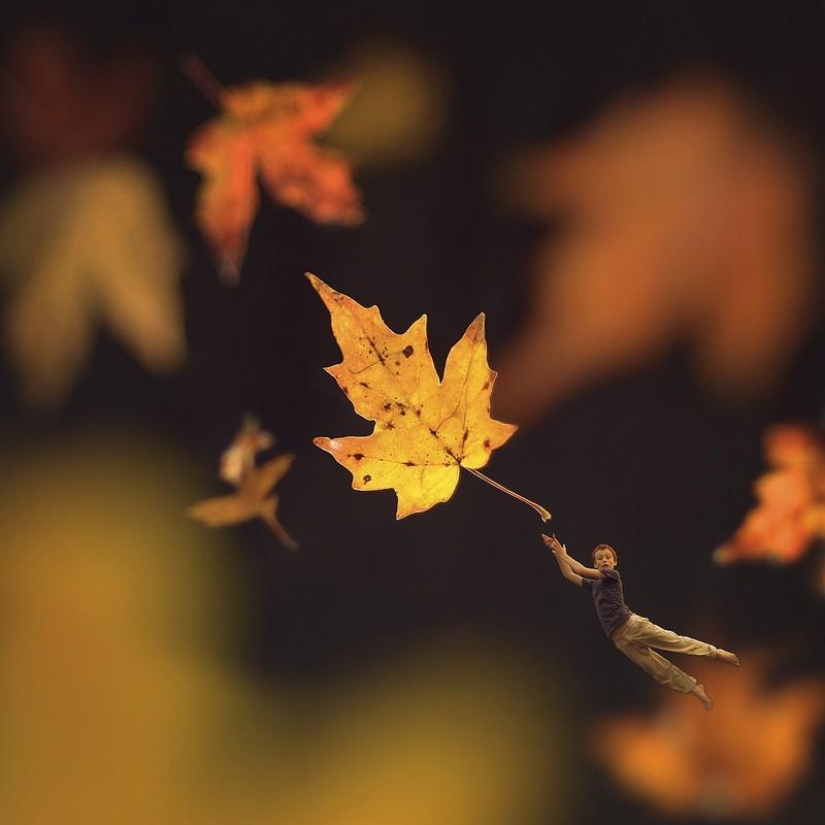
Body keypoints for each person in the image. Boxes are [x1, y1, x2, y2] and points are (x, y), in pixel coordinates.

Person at [542, 533, 739, 709]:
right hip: (619, 639)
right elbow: (569, 574)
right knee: (658, 670)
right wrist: (557, 553)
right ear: (595, 563)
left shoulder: (612, 576)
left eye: (607, 558)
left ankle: (715, 653)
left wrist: (561, 551)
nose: (603, 561)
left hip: (633, 626)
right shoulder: (594, 586)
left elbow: (580, 569)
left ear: (614, 562)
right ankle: (694, 688)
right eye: (599, 559)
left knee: (675, 642)